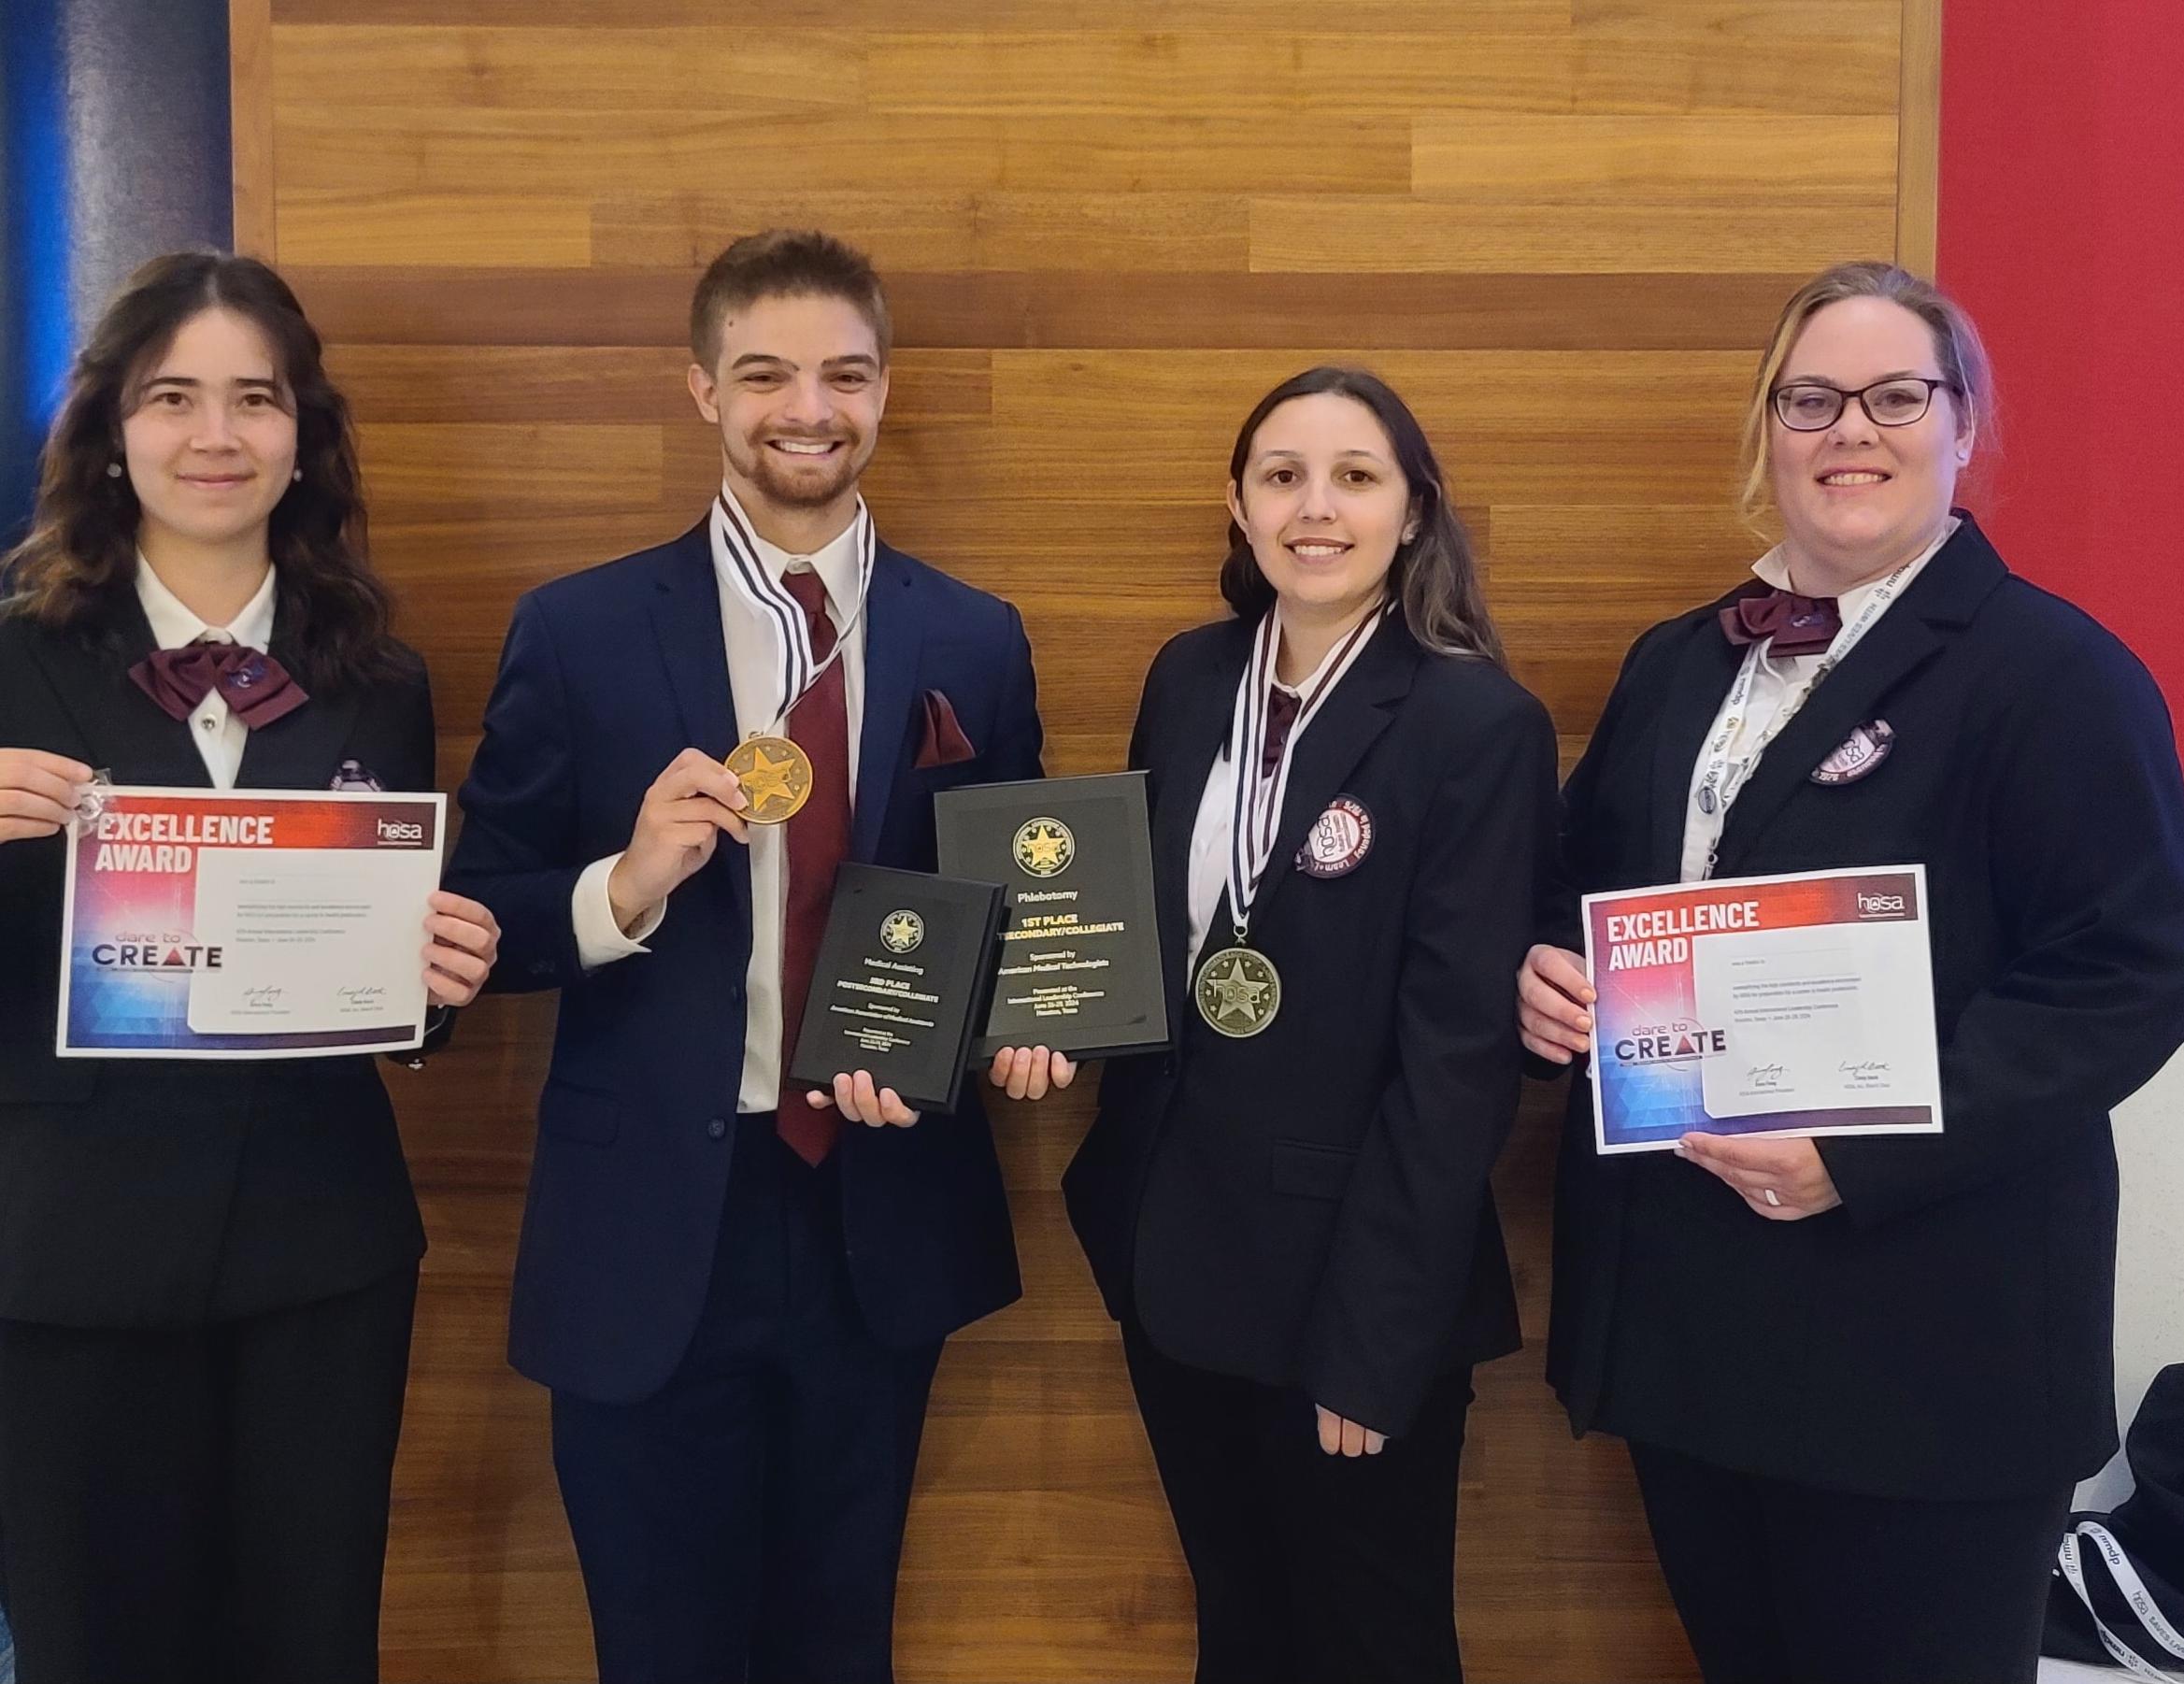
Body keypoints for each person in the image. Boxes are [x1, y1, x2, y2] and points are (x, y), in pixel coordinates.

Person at [1519, 261, 2184, 1684]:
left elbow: (2126, 976)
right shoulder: (1675, 664)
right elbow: (1587, 902)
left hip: (1926, 1353)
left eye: (1893, 396)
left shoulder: (2056, 675)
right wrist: (1544, 984)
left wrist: (1863, 1155)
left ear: (1961, 424)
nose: (1848, 431)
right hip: (1694, 1335)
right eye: (1810, 398)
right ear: (1768, 427)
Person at [445, 229, 1044, 1684]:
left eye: (843, 373)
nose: (807, 407)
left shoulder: (973, 634)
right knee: (660, 1651)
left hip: (875, 1210)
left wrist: (989, 1035)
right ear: (701, 388)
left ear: (885, 391)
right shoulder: (578, 629)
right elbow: (471, 926)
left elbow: (1012, 917)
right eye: (766, 372)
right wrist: (625, 882)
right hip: (650, 1227)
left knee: (842, 1645)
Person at [0, 251, 500, 1684]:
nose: (215, 436)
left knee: (313, 1638)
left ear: (301, 437)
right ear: (109, 432)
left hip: (319, 1248)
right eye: (172, 398)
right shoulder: (10, 652)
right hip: (66, 1252)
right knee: (97, 1645)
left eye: (253, 400)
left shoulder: (379, 675)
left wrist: (434, 980)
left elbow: (375, 987)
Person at [1059, 366, 1558, 1683]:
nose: (1314, 506)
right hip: (1176, 1258)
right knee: (1241, 1629)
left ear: (1413, 510)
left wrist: (1372, 1343)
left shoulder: (1475, 723)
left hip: (1352, 1289)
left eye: (1354, 475)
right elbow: (1143, 945)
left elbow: (1457, 1066)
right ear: (1237, 504)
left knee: (1372, 1643)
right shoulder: (1187, 677)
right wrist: (1049, 1015)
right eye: (1281, 475)